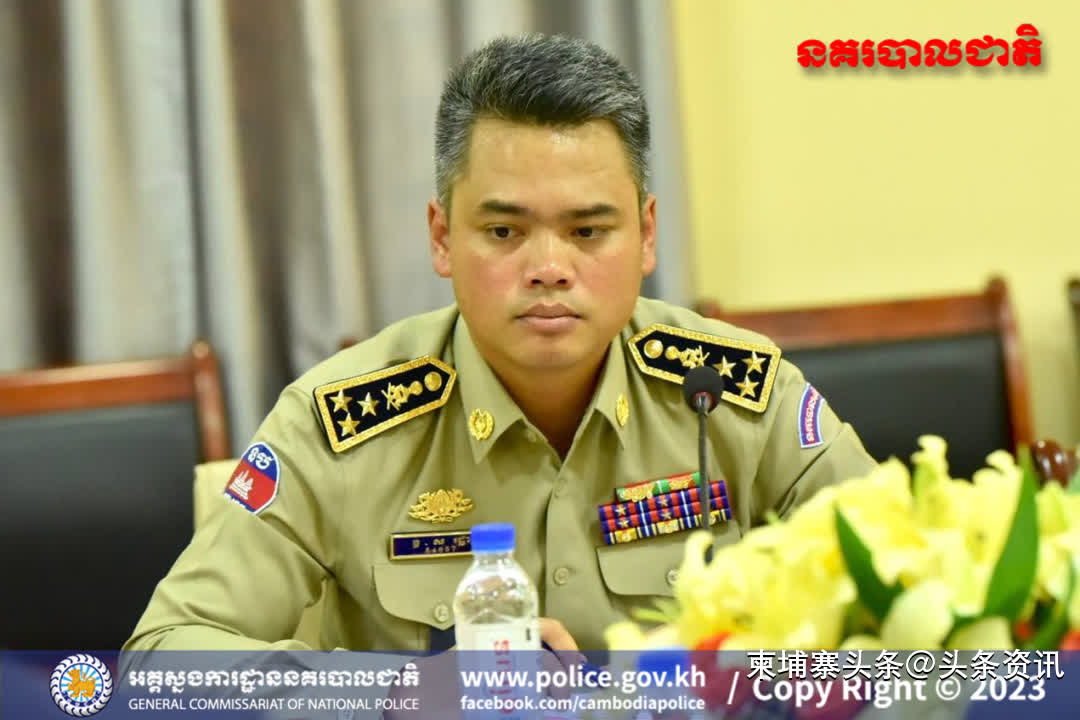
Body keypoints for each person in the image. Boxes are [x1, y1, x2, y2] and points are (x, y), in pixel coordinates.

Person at [125, 33, 875, 654]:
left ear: (647, 235)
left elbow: (909, 597)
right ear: (442, 237)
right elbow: (163, 658)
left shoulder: (737, 392)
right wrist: (405, 693)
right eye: (504, 231)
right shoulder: (343, 422)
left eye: (588, 230)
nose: (549, 268)